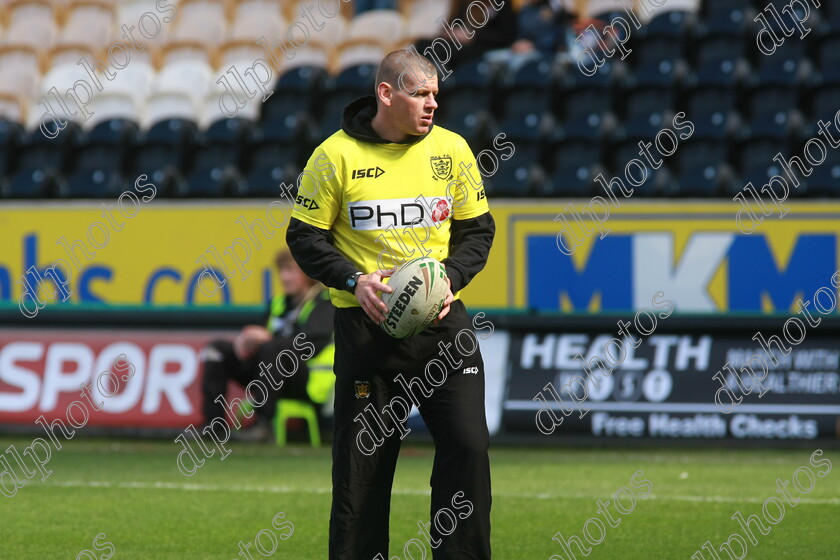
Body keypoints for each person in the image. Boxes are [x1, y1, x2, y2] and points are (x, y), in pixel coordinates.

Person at [286, 50, 495, 559]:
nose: (432, 105)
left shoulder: (453, 150)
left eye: (436, 96)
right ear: (386, 94)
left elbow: (477, 230)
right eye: (420, 94)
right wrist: (354, 280)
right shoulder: (334, 156)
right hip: (368, 330)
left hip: (444, 329)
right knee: (363, 471)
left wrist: (450, 276)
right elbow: (304, 238)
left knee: (468, 449)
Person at [200, 249, 334, 442]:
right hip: (268, 374)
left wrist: (268, 339)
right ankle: (213, 427)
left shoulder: (324, 301)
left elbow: (312, 344)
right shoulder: (278, 303)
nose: (284, 277)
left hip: (307, 382)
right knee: (217, 349)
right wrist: (246, 343)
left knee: (273, 349)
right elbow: (264, 338)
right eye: (281, 271)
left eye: (290, 271)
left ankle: (263, 425)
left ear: (307, 271)